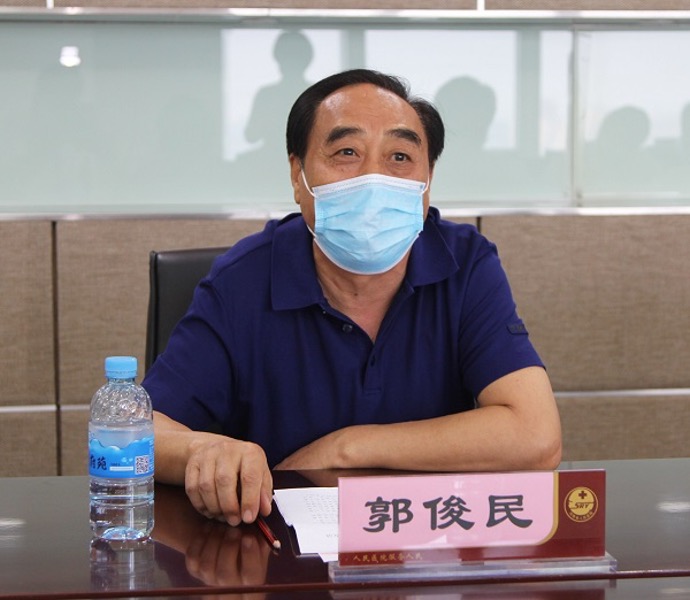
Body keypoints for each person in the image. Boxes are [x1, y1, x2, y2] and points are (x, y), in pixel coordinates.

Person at [143, 68, 562, 529]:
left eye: (400, 156)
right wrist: (202, 450)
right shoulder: (241, 281)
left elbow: (536, 436)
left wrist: (346, 447)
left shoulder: (464, 264)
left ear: (427, 180)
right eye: (347, 152)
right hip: (279, 551)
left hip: (426, 545)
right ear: (298, 175)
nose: (374, 179)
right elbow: (137, 434)